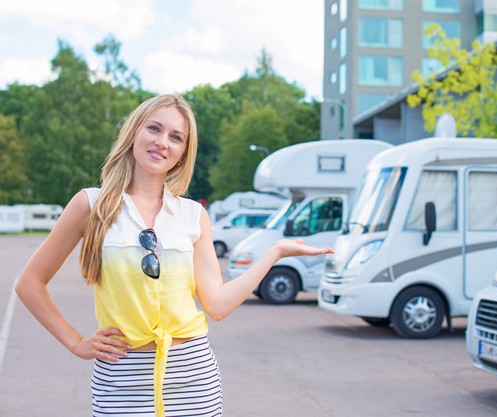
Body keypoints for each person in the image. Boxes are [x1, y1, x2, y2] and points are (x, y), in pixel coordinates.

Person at [15, 94, 333, 417]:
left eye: (175, 137)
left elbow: (218, 305)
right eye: (154, 128)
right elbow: (29, 283)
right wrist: (76, 342)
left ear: (182, 153)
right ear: (134, 132)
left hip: (193, 377)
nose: (162, 142)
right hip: (121, 380)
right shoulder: (90, 205)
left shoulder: (193, 216)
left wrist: (274, 253)